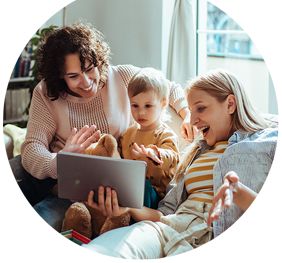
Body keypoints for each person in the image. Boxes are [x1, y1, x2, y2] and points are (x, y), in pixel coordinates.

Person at [10, 21, 193, 239]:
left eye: (89, 69)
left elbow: (166, 87)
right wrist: (60, 160)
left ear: (99, 61)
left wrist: (187, 113)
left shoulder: (123, 77)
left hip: (115, 188)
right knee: (37, 217)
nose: (86, 82)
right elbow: (31, 148)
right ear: (60, 75)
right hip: (68, 188)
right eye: (73, 76)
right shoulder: (46, 93)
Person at [83, 68, 278, 259]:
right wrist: (127, 207)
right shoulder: (195, 154)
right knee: (100, 252)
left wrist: (240, 194)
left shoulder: (269, 143)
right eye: (191, 111)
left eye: (200, 108)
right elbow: (165, 215)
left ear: (230, 104)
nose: (192, 120)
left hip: (221, 238)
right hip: (170, 228)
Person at [119, 67, 180, 206]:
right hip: (129, 189)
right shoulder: (127, 134)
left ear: (163, 104)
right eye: (135, 105)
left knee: (140, 183)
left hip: (158, 196)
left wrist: (155, 153)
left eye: (148, 106)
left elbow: (173, 159)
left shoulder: (166, 134)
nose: (141, 112)